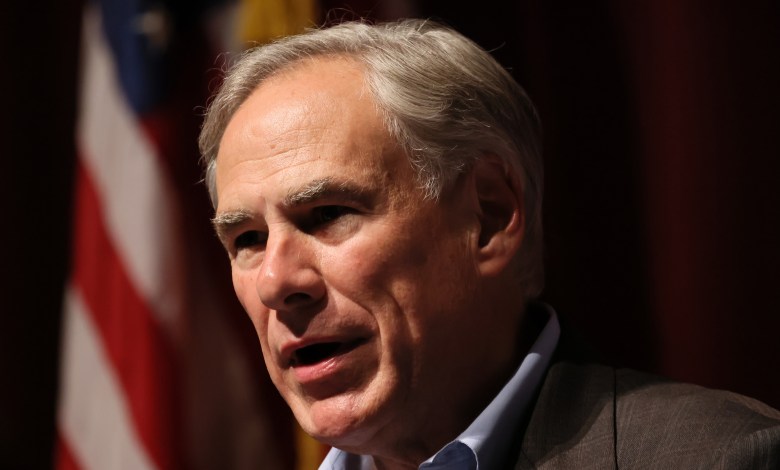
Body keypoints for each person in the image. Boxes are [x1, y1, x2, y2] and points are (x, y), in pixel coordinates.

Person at [198, 18, 780, 470]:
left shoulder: (723, 457)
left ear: (490, 216)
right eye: (247, 239)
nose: (275, 282)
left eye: (327, 214)